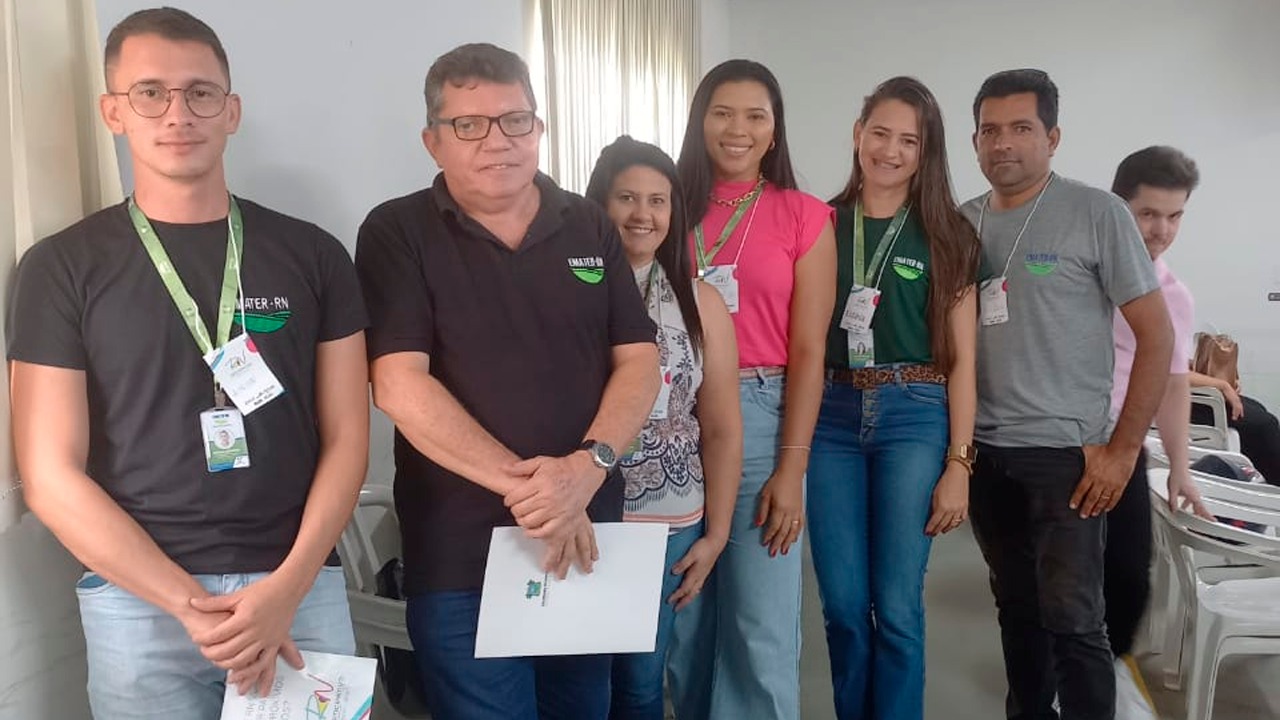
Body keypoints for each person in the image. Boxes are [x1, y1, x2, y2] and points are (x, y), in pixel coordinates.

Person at [7, 8, 370, 719]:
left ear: (231, 111)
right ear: (113, 112)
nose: (178, 113)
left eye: (201, 93)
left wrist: (286, 589)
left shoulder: (315, 254)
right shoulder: (60, 267)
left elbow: (349, 439)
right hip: (139, 602)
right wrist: (190, 604)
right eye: (150, 93)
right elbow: (49, 474)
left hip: (299, 585)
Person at [354, 43, 659, 720]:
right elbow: (399, 384)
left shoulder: (587, 224)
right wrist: (543, 493)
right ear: (434, 141)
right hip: (462, 555)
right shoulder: (396, 231)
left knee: (583, 710)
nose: (497, 141)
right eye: (470, 124)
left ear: (539, 129)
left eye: (514, 120)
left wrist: (590, 467)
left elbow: (639, 358)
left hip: (584, 541)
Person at [961, 69, 1173, 720]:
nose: (1004, 144)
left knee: (1076, 621)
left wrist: (1122, 451)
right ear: (974, 141)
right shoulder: (961, 223)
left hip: (1068, 458)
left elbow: (1157, 337)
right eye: (990, 130)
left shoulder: (1096, 212)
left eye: (1021, 128)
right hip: (985, 456)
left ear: (1052, 138)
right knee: (1016, 611)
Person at [806, 76, 983, 720]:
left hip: (915, 413)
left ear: (926, 152)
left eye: (908, 140)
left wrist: (959, 465)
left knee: (899, 606)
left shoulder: (949, 237)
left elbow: (963, 363)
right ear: (858, 135)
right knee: (846, 608)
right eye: (879, 133)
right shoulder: (819, 223)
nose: (890, 149)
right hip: (828, 419)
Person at [674, 59, 836, 720]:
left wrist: (792, 470)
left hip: (765, 416)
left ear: (775, 132)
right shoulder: (667, 205)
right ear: (700, 121)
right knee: (683, 616)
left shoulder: (803, 215)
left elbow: (809, 350)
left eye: (755, 116)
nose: (737, 129)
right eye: (722, 112)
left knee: (759, 620)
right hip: (672, 420)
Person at [584, 136, 742, 720]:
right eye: (626, 198)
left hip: (669, 527)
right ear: (597, 205)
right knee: (580, 681)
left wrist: (716, 535)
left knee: (641, 684)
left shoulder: (699, 302)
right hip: (584, 517)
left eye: (658, 200)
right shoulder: (568, 292)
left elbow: (722, 428)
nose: (642, 215)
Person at [1107, 145, 1215, 719]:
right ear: (1119, 206)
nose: (1162, 230)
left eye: (1175, 216)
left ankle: (1107, 669)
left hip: (1123, 451)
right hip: (1058, 443)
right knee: (1053, 579)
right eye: (1150, 214)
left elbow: (1173, 386)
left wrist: (1179, 466)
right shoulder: (1084, 271)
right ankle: (1057, 679)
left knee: (1128, 574)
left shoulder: (1173, 295)